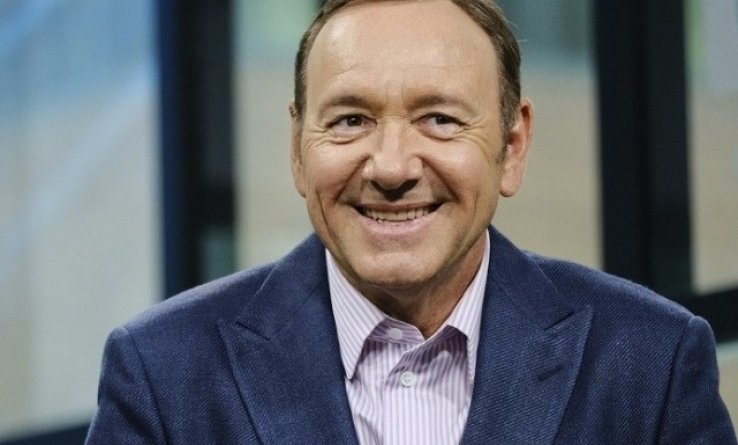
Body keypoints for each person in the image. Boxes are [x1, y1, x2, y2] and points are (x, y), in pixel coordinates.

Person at [86, 0, 737, 443]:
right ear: (297, 149)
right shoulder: (163, 375)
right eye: (350, 120)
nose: (392, 166)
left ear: (512, 147)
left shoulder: (650, 363)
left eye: (439, 119)